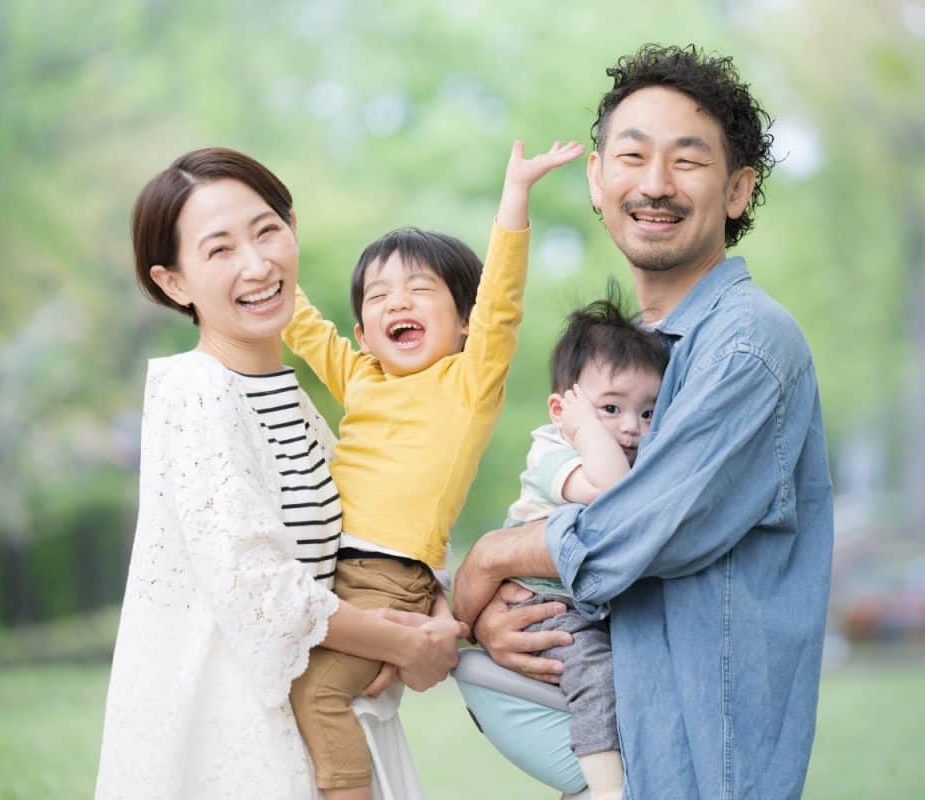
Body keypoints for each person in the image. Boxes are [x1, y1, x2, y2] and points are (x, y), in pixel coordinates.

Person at [452, 44, 835, 800]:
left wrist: (492, 560)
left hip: (707, 770)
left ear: (737, 190)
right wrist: (503, 617)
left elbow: (633, 532)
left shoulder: (747, 346)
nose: (654, 185)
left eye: (687, 162)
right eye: (631, 156)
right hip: (640, 755)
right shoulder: (641, 363)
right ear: (597, 181)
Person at [95, 147, 465, 800]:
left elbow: (366, 535)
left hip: (324, 719)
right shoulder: (196, 391)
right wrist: (404, 640)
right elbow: (257, 584)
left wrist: (425, 602)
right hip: (243, 740)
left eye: (267, 230)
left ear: (292, 227)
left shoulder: (289, 399)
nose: (258, 264)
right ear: (173, 283)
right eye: (219, 250)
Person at [281, 139, 582, 800]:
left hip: (389, 580)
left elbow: (502, 300)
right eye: (381, 296)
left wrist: (516, 197)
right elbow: (301, 325)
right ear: (362, 331)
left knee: (318, 696)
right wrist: (276, 248)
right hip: (325, 575)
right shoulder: (360, 377)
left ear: (465, 325)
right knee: (308, 687)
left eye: (421, 291)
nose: (398, 304)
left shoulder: (467, 385)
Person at [501, 286, 668, 800]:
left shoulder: (624, 450)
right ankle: (605, 790)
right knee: (596, 676)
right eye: (611, 408)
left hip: (585, 597)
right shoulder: (553, 451)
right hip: (540, 599)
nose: (630, 427)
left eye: (647, 412)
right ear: (563, 409)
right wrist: (584, 429)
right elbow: (616, 496)